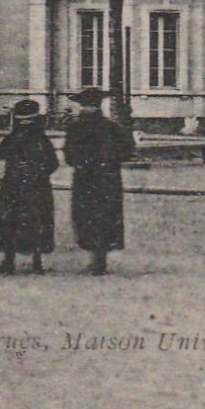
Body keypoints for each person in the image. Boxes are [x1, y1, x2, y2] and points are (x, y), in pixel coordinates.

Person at [63, 87, 133, 275]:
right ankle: (99, 260)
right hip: (108, 179)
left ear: (82, 106)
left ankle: (95, 260)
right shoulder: (111, 126)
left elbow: (69, 156)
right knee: (105, 216)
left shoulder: (75, 127)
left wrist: (82, 162)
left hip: (85, 179)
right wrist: (109, 162)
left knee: (86, 216)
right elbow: (128, 150)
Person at [0, 99, 59, 275]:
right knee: (36, 222)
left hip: (13, 186)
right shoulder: (42, 140)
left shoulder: (12, 139)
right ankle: (36, 262)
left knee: (11, 223)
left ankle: (9, 261)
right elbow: (53, 163)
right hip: (37, 187)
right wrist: (40, 173)